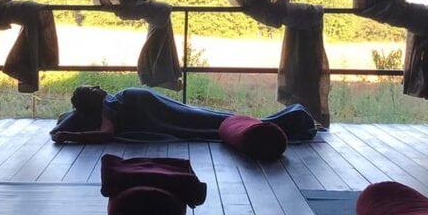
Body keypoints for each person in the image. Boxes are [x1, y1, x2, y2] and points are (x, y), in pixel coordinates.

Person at [50, 85, 318, 144]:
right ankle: (293, 119)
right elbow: (106, 132)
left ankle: (292, 118)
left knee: (213, 116)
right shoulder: (108, 106)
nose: (98, 86)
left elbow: (69, 116)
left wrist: (67, 126)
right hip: (162, 111)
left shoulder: (109, 101)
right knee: (213, 121)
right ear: (91, 100)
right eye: (91, 89)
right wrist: (68, 135)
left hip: (162, 106)